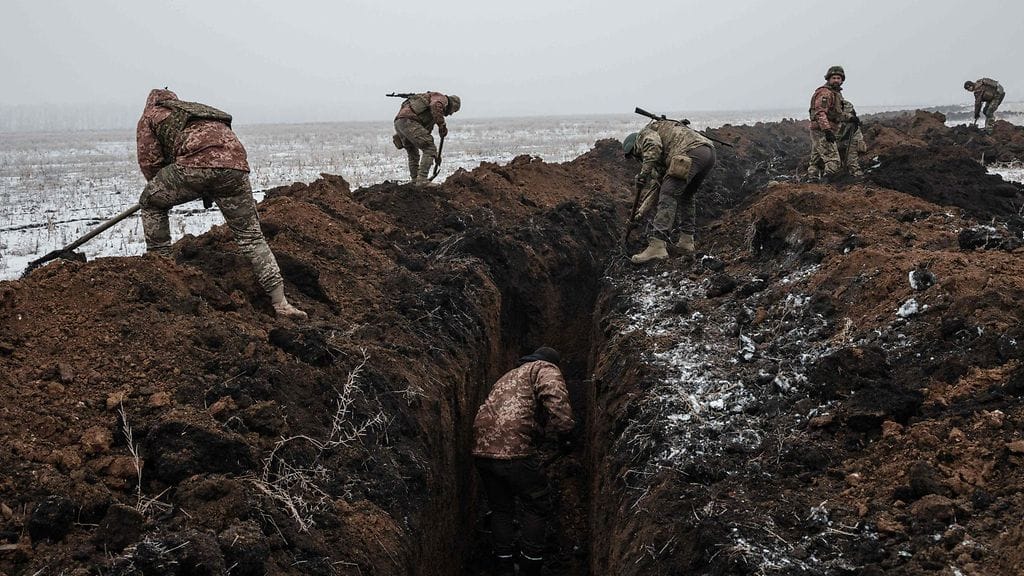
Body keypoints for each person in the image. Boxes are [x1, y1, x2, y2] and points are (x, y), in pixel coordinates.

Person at [136, 88, 307, 320]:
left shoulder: (151, 115)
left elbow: (151, 162)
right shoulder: (195, 111)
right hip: (235, 167)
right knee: (251, 237)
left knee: (150, 202)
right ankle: (281, 303)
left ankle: (164, 271)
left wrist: (163, 189)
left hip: (195, 165)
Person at [472, 347, 575, 576]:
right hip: (513, 450)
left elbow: (513, 414)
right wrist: (566, 433)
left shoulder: (509, 376)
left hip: (482, 450)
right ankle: (531, 565)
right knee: (537, 503)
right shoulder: (543, 368)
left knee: (501, 508)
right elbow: (555, 397)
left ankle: (504, 565)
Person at [623, 119, 717, 264]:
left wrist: (644, 174)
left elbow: (653, 146)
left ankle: (657, 246)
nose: (638, 159)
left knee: (668, 195)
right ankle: (686, 241)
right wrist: (640, 213)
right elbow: (656, 189)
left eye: (636, 156)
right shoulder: (663, 157)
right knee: (686, 195)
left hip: (689, 152)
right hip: (707, 153)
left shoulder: (644, 134)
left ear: (634, 147)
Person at [392, 92, 461, 186]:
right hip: (410, 121)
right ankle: (422, 180)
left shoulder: (428, 104)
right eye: (454, 110)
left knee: (413, 153)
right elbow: (435, 105)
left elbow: (424, 134)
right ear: (452, 104)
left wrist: (434, 155)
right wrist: (442, 125)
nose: (451, 114)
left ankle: (415, 180)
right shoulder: (442, 99)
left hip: (400, 123)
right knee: (429, 147)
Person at [807, 65, 847, 182]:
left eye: (838, 78)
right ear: (828, 79)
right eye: (834, 78)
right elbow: (820, 112)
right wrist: (827, 130)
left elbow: (836, 113)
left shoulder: (835, 94)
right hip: (822, 131)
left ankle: (812, 182)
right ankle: (828, 185)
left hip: (823, 129)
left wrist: (850, 118)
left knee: (817, 160)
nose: (836, 80)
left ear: (842, 80)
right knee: (833, 161)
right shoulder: (825, 93)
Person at [837, 99, 866, 178]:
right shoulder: (827, 108)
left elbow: (847, 116)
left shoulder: (845, 104)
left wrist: (851, 118)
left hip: (852, 134)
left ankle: (857, 175)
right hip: (837, 137)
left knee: (852, 161)